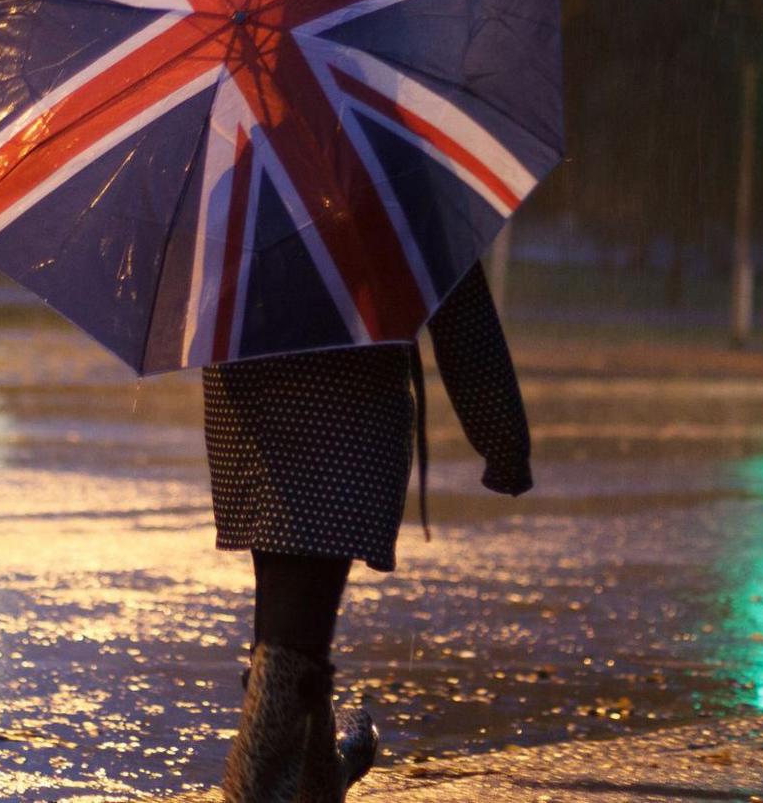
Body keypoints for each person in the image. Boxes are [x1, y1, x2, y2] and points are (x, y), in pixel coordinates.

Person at [205, 261, 533, 801]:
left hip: (250, 399)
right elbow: (455, 297)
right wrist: (503, 440)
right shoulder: (386, 181)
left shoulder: (237, 180)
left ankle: (315, 778)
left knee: (289, 619)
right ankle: (256, 786)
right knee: (292, 631)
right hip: (349, 408)